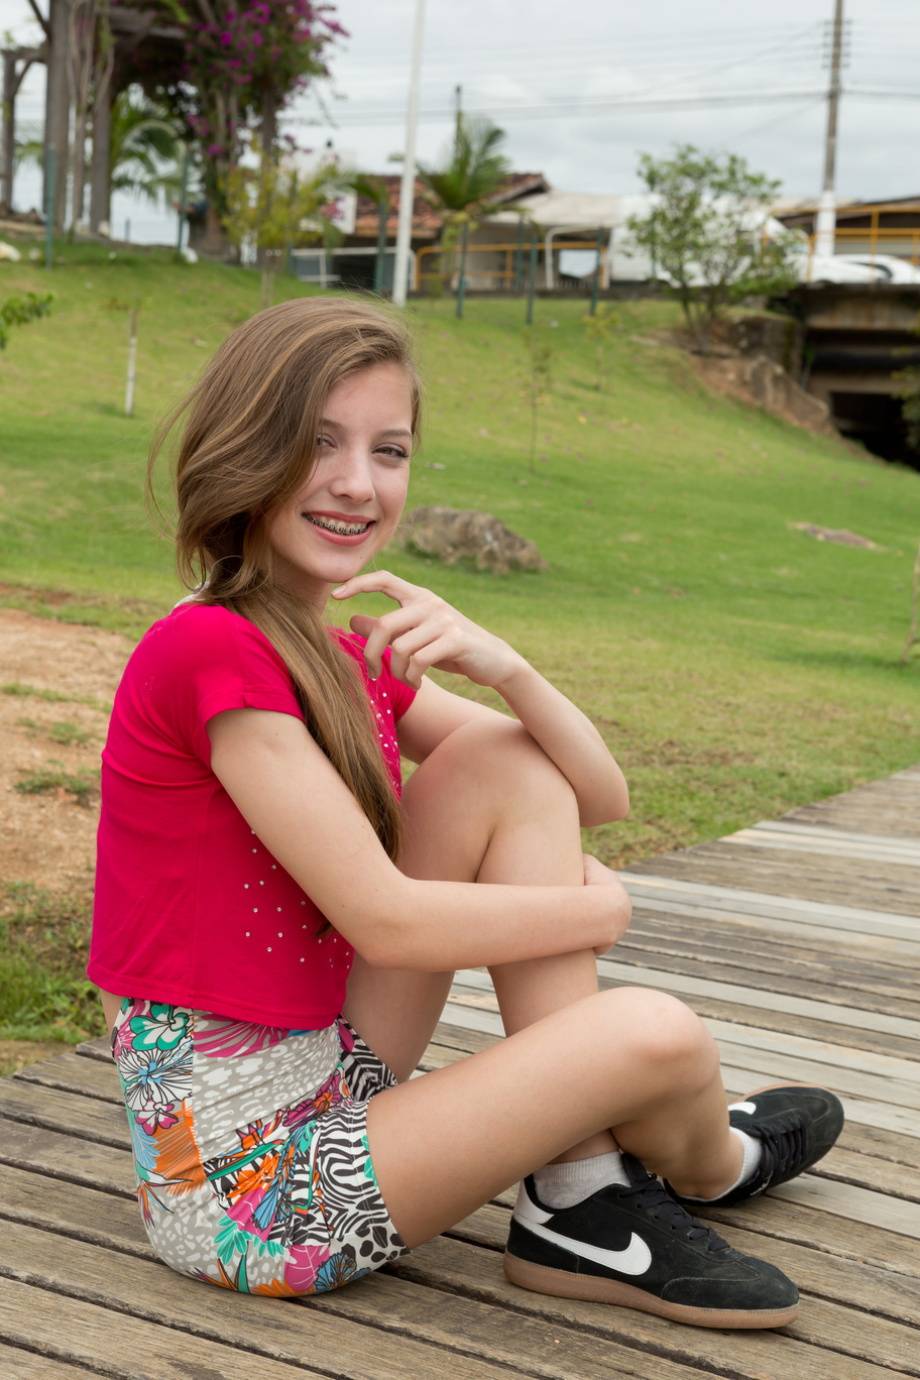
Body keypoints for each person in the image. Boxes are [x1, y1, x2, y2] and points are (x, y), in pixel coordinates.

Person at [88, 297, 843, 1328]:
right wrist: (600, 911)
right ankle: (703, 1161)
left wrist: (509, 667)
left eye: (389, 450)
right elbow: (388, 922)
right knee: (654, 1035)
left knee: (502, 761)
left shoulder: (340, 651)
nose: (359, 483)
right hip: (253, 1197)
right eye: (320, 443)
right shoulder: (207, 648)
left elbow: (592, 794)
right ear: (246, 447)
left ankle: (593, 1188)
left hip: (333, 1072)